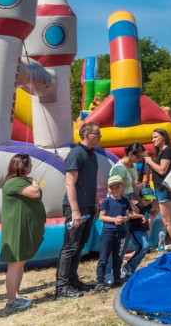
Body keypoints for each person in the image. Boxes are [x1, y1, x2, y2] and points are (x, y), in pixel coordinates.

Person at [56, 122, 101, 299]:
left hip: (88, 206)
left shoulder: (92, 155)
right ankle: (61, 287)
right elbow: (70, 183)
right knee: (70, 246)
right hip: (76, 207)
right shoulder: (76, 154)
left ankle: (73, 280)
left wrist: (95, 203)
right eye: (97, 133)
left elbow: (91, 181)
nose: (100, 136)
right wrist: (74, 210)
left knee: (80, 245)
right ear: (87, 135)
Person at [0, 154, 44, 311]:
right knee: (15, 264)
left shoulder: (19, 181)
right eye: (29, 164)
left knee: (20, 263)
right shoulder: (13, 182)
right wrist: (33, 182)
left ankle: (16, 295)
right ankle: (11, 301)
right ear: (21, 166)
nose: (31, 166)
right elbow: (35, 193)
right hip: (16, 230)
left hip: (22, 228)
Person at [95, 175, 138, 292]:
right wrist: (114, 220)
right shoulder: (107, 201)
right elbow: (102, 217)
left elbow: (128, 215)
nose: (115, 190)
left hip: (121, 232)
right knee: (103, 258)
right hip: (108, 232)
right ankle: (99, 282)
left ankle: (117, 279)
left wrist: (123, 219)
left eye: (117, 187)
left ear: (121, 187)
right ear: (108, 188)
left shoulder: (125, 201)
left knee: (118, 257)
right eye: (112, 187)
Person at [142, 128, 171, 251]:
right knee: (152, 214)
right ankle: (144, 247)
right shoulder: (160, 152)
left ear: (163, 137)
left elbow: (162, 170)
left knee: (167, 220)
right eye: (152, 137)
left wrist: (149, 161)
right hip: (158, 188)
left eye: (155, 137)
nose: (152, 140)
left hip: (164, 188)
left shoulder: (168, 151)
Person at [121, 187, 156, 280]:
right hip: (136, 230)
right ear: (140, 198)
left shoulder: (148, 206)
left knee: (143, 251)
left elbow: (153, 210)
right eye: (146, 199)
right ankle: (128, 266)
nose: (149, 201)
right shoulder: (137, 207)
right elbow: (130, 215)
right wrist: (141, 215)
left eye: (150, 199)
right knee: (143, 247)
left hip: (144, 230)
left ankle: (131, 268)